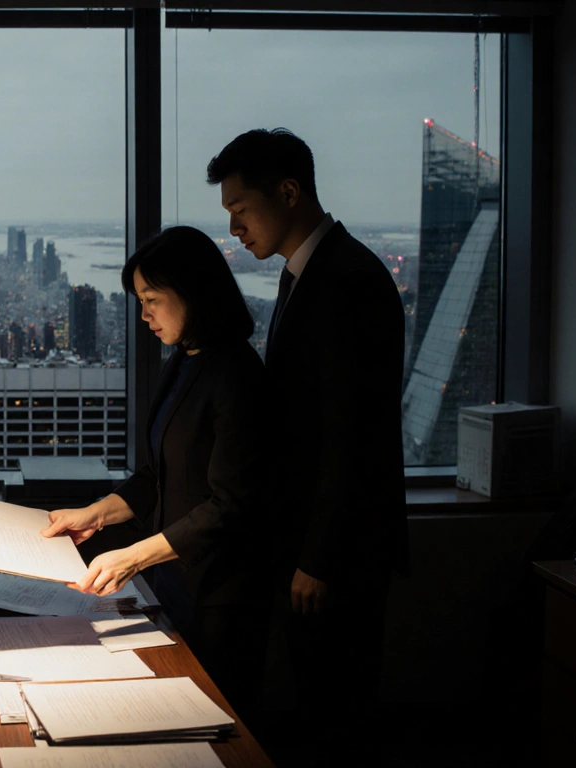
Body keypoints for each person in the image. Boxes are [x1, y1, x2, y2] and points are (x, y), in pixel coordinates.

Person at [207, 128, 409, 766]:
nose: (235, 229)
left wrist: (318, 557)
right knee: (318, 708)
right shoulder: (307, 274)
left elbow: (354, 435)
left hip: (335, 555)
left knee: (338, 716)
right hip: (309, 546)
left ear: (289, 192)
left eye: (241, 210)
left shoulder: (349, 280)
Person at [41, 226, 272, 718]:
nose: (143, 314)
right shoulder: (183, 360)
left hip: (220, 593)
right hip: (171, 580)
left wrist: (134, 557)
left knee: (212, 725)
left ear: (193, 292)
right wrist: (95, 514)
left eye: (152, 299)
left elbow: (232, 506)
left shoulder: (236, 375)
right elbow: (158, 474)